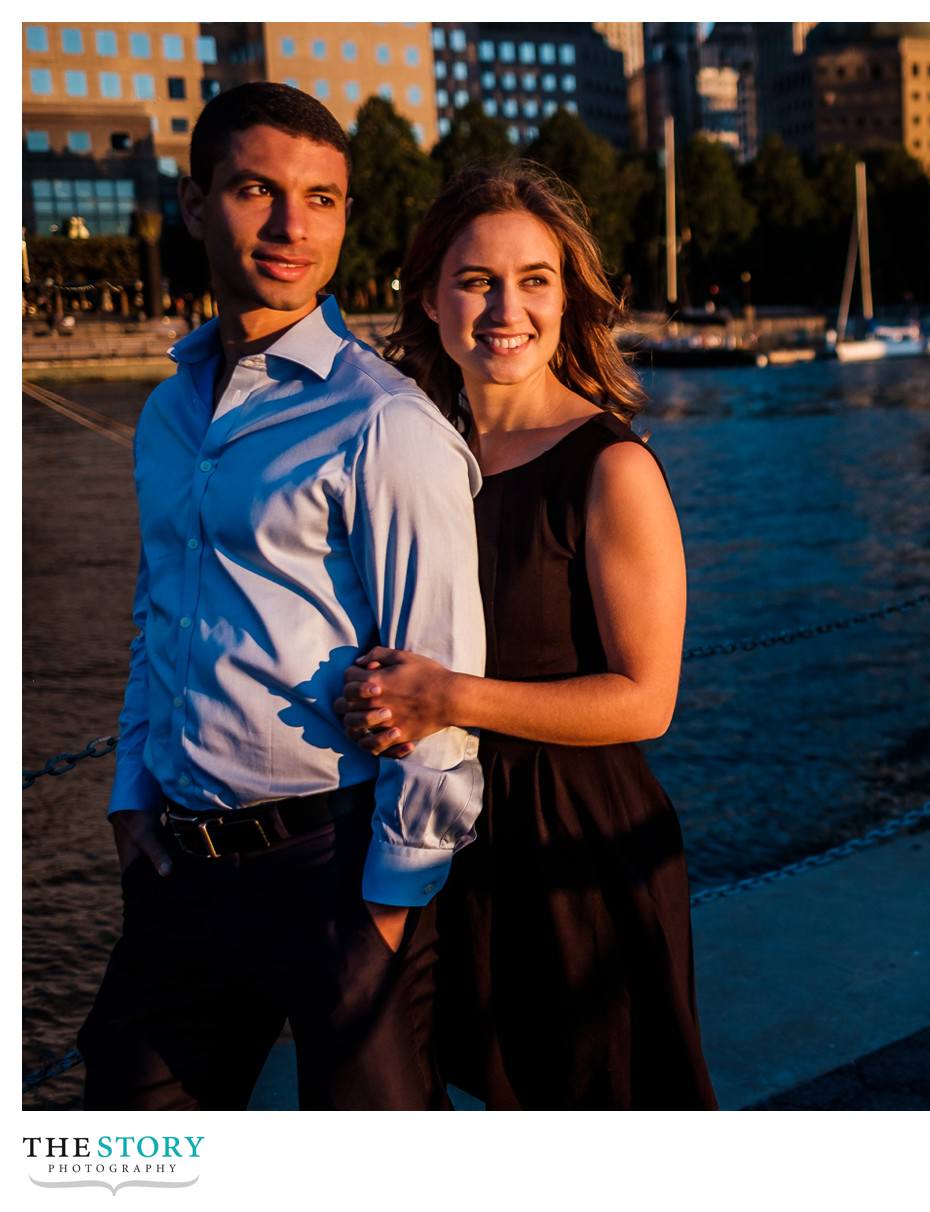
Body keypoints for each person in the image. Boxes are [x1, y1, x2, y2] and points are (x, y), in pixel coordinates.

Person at [77, 83, 486, 1111]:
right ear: (195, 202)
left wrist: (389, 917)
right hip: (181, 866)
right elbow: (158, 613)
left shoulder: (384, 423)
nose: (292, 226)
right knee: (125, 1140)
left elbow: (442, 690)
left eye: (323, 198)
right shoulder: (169, 412)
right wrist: (132, 794)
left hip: (336, 869)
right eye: (259, 189)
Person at [335, 161, 717, 1109]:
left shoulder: (610, 466)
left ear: (566, 298)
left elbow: (648, 700)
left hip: (576, 850)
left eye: (534, 280)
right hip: (446, 841)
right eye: (477, 280)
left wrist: (447, 697)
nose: (508, 308)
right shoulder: (417, 452)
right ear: (428, 296)